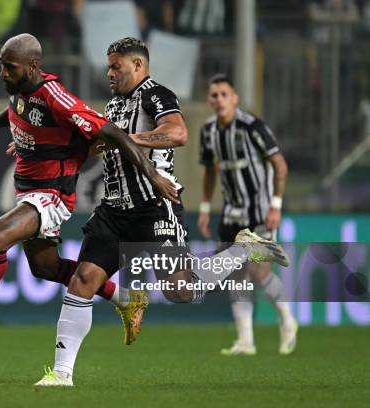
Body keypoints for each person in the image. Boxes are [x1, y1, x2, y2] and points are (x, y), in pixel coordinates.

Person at [34, 37, 290, 387]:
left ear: (137, 66)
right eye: (108, 66)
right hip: (114, 211)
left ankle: (243, 248)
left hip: (155, 208)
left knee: (179, 290)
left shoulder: (157, 95)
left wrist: (128, 139)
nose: (109, 73)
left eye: (116, 67)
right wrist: (47, 147)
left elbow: (178, 133)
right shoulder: (114, 105)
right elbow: (96, 144)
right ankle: (62, 374)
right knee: (83, 281)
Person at [0, 33, 180, 357]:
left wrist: (151, 175)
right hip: (29, 192)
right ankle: (125, 297)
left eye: (9, 67)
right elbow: (11, 112)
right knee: (45, 269)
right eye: (2, 66)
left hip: (52, 195)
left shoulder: (56, 97)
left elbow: (110, 132)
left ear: (33, 66)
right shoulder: (20, 90)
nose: (3, 74)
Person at [197, 73, 298, 356]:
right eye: (214, 95)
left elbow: (280, 165)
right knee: (235, 273)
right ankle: (246, 340)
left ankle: (287, 320)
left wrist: (276, 205)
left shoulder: (252, 127)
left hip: (261, 211)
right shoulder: (208, 132)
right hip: (231, 212)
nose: (219, 100)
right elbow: (209, 170)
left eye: (224, 94)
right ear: (209, 99)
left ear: (235, 97)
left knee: (258, 270)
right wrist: (205, 207)